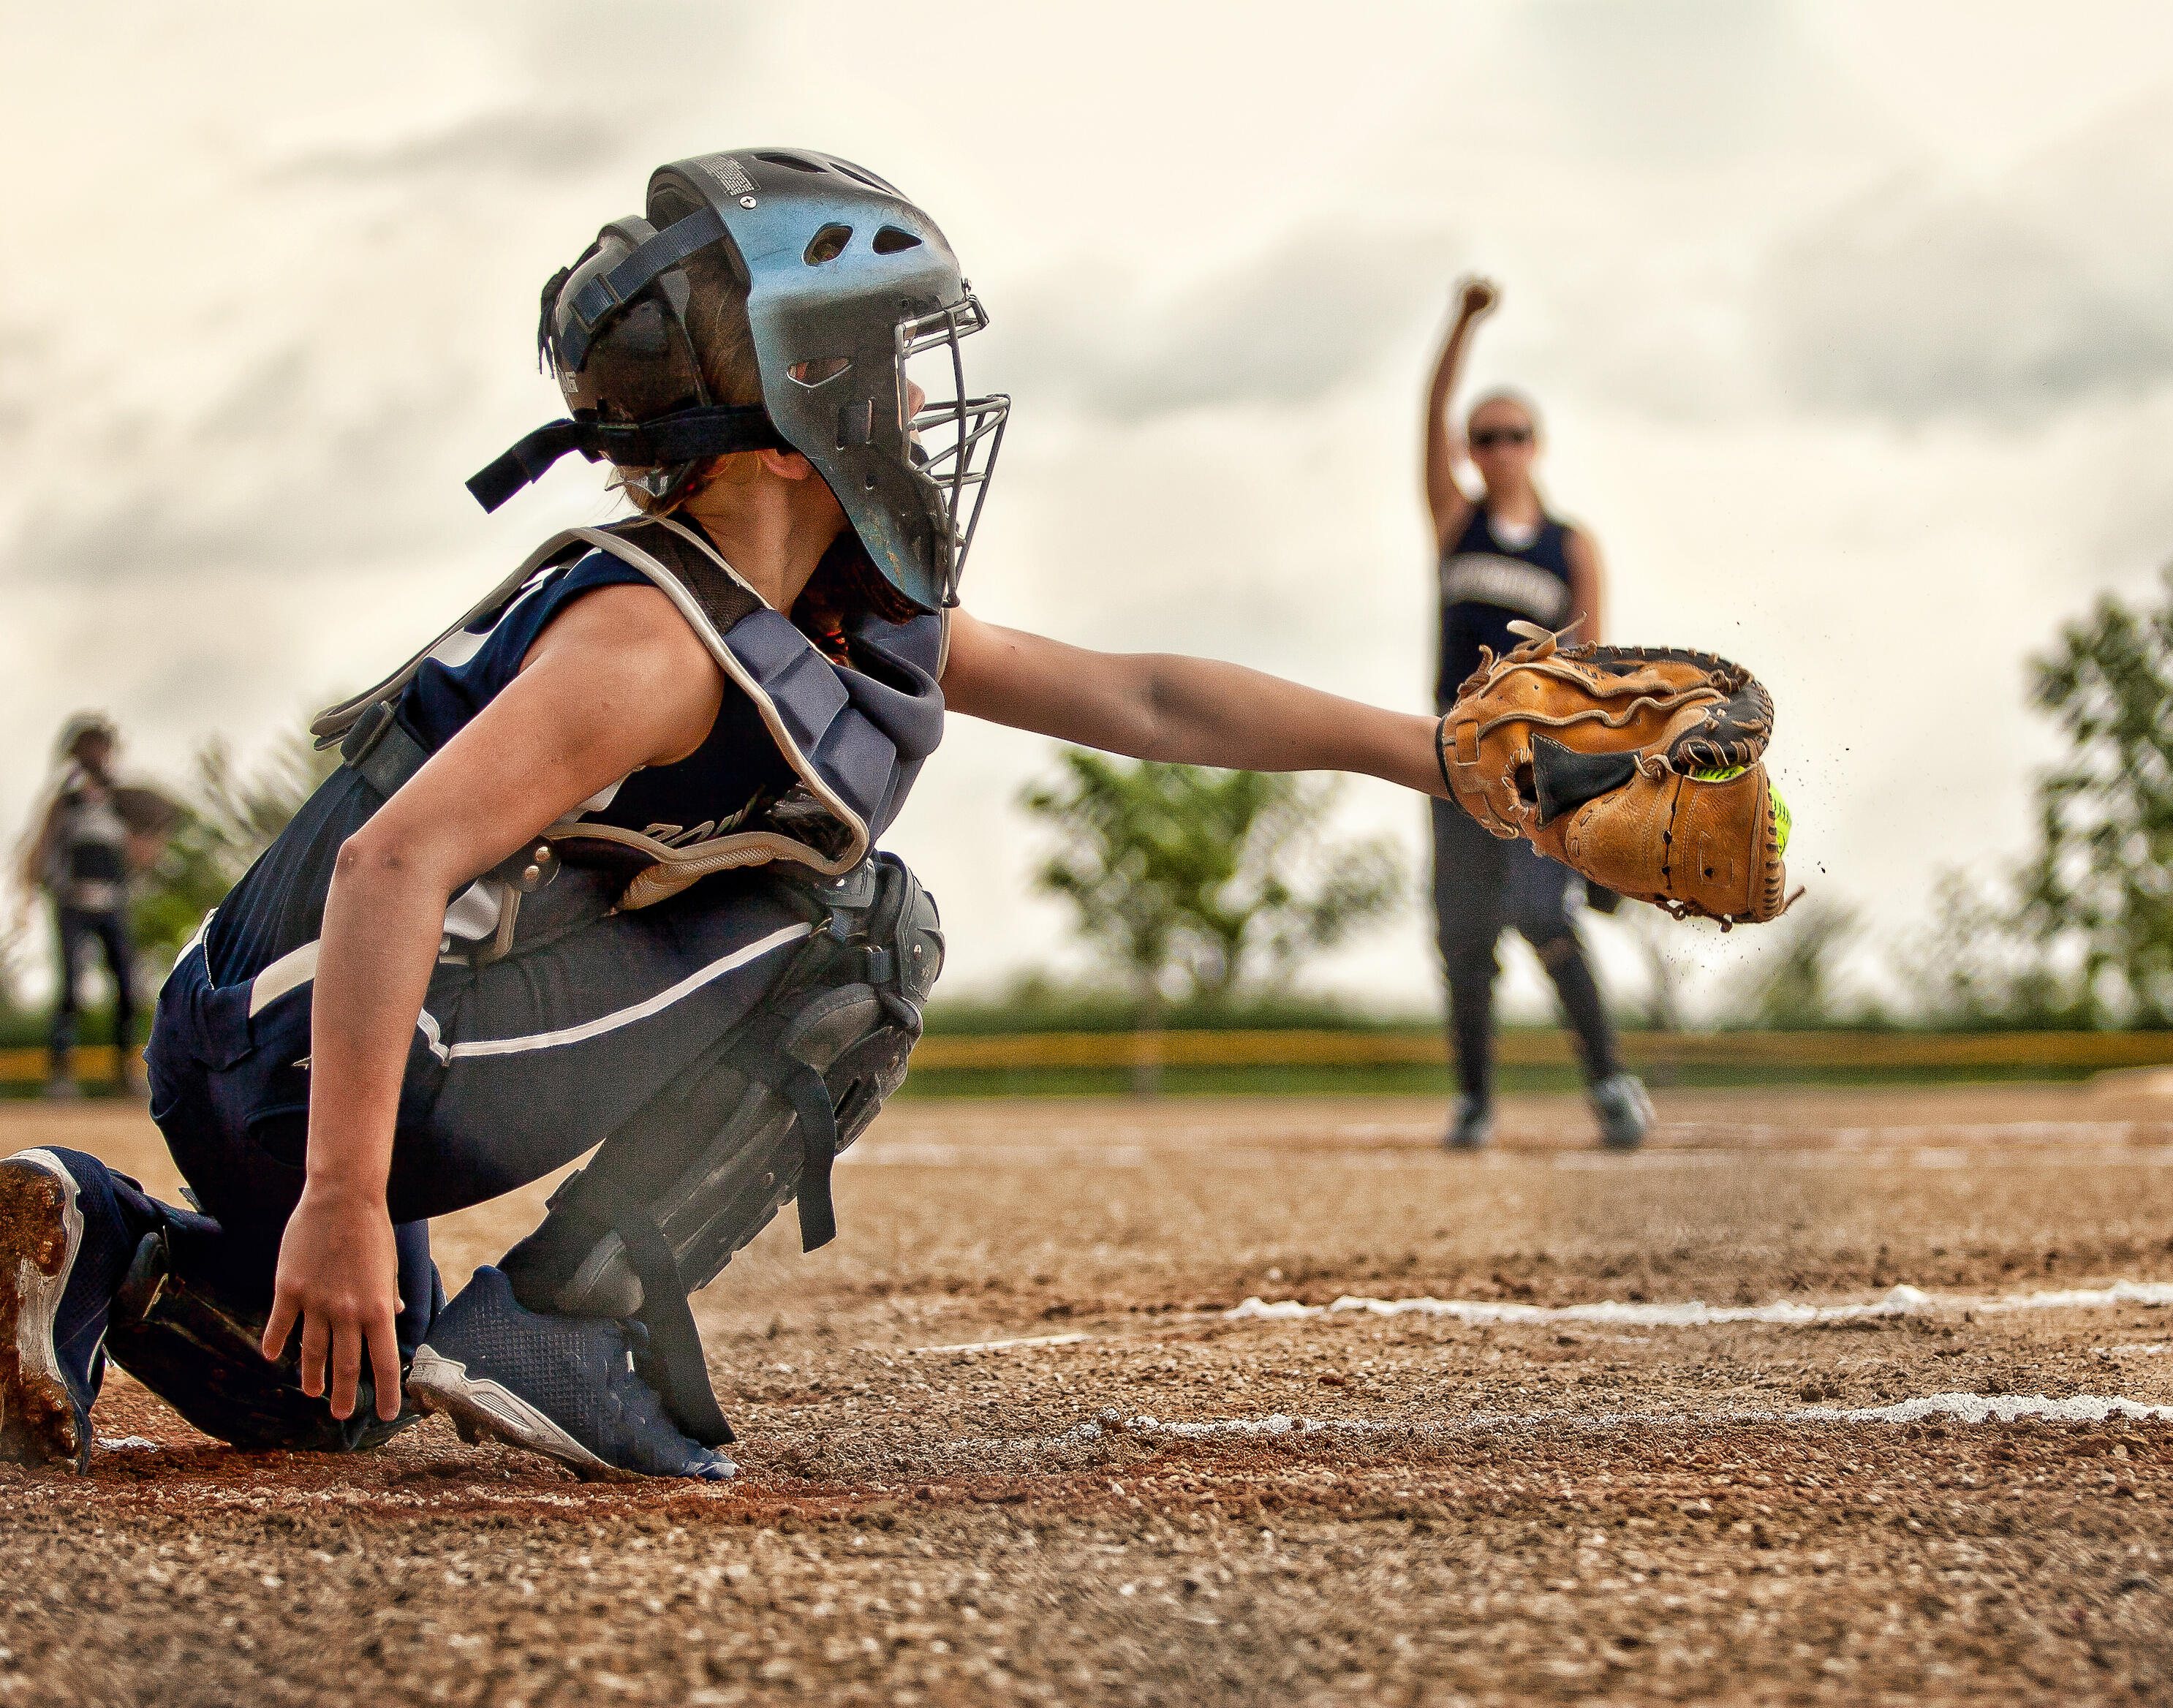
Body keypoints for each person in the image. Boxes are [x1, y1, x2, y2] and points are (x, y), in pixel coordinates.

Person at [0, 150, 1458, 1481]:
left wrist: (1437, 757)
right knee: (865, 935)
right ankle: (568, 1318)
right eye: (899, 368)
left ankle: (96, 1240)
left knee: (342, 1388)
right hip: (336, 1046)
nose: (929, 408)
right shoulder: (654, 643)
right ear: (796, 408)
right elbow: (392, 859)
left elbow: (1147, 700)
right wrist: (341, 1191)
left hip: (298, 1036)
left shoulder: (818, 613)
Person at [1421, 277, 1652, 1153]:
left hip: (1539, 762)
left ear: (1537, 445)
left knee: (1544, 917)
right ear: (1469, 450)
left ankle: (1612, 1084)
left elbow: (1594, 665)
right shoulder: (1456, 525)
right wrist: (1462, 323)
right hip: (1451, 755)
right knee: (1462, 935)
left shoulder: (1570, 544)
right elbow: (1431, 409)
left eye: (1514, 434)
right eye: (1485, 437)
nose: (1501, 448)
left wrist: (1609, 778)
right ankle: (1476, 1101)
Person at [14, 715, 151, 1100]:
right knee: (71, 988)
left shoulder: (120, 801)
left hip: (112, 903)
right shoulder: (65, 800)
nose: (98, 755)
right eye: (90, 748)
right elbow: (40, 847)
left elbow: (140, 847)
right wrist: (26, 899)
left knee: (127, 986)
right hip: (72, 901)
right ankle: (61, 1076)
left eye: (103, 747)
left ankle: (125, 1075)